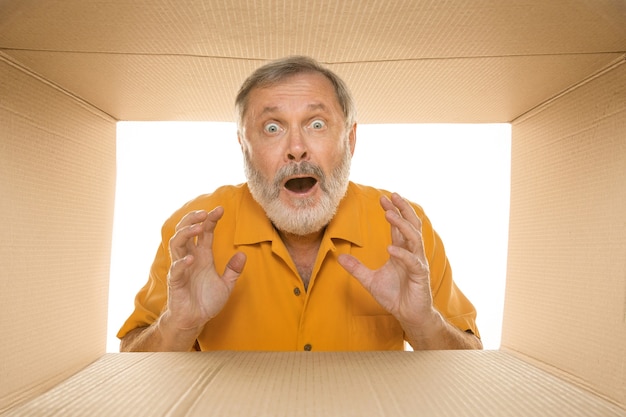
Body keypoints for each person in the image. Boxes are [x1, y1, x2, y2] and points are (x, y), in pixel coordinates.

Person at [118, 55, 482, 352]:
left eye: (317, 124)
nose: (296, 147)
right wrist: (179, 325)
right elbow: (129, 365)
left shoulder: (403, 227)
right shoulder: (194, 233)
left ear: (351, 140)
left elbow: (471, 361)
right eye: (272, 128)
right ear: (244, 146)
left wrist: (422, 322)